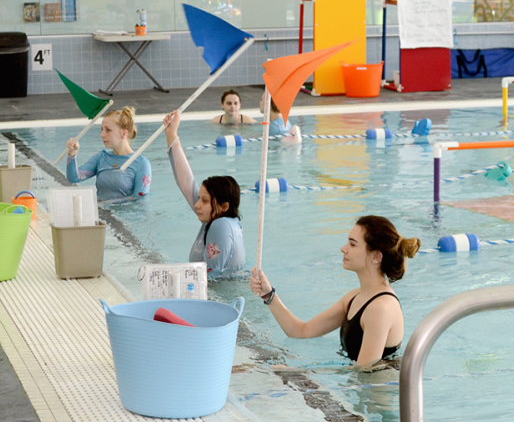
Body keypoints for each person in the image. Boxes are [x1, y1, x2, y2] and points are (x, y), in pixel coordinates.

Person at [249, 216, 420, 367]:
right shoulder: (355, 297)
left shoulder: (381, 308)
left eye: (352, 244)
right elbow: (301, 331)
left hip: (376, 398)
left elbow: (363, 370)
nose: (343, 248)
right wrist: (269, 295)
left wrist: (298, 371)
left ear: (376, 256)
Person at [163, 110, 245, 279]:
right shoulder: (224, 220)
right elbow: (187, 183)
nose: (197, 204)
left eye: (204, 200)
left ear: (224, 206)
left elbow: (210, 279)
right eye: (200, 198)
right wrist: (171, 135)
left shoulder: (220, 226)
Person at [65, 106, 151, 200]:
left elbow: (139, 201)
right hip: (102, 212)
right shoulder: (101, 158)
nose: (102, 135)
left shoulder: (141, 164)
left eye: (108, 130)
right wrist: (72, 153)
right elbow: (74, 177)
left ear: (123, 133)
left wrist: (106, 205)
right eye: (102, 129)